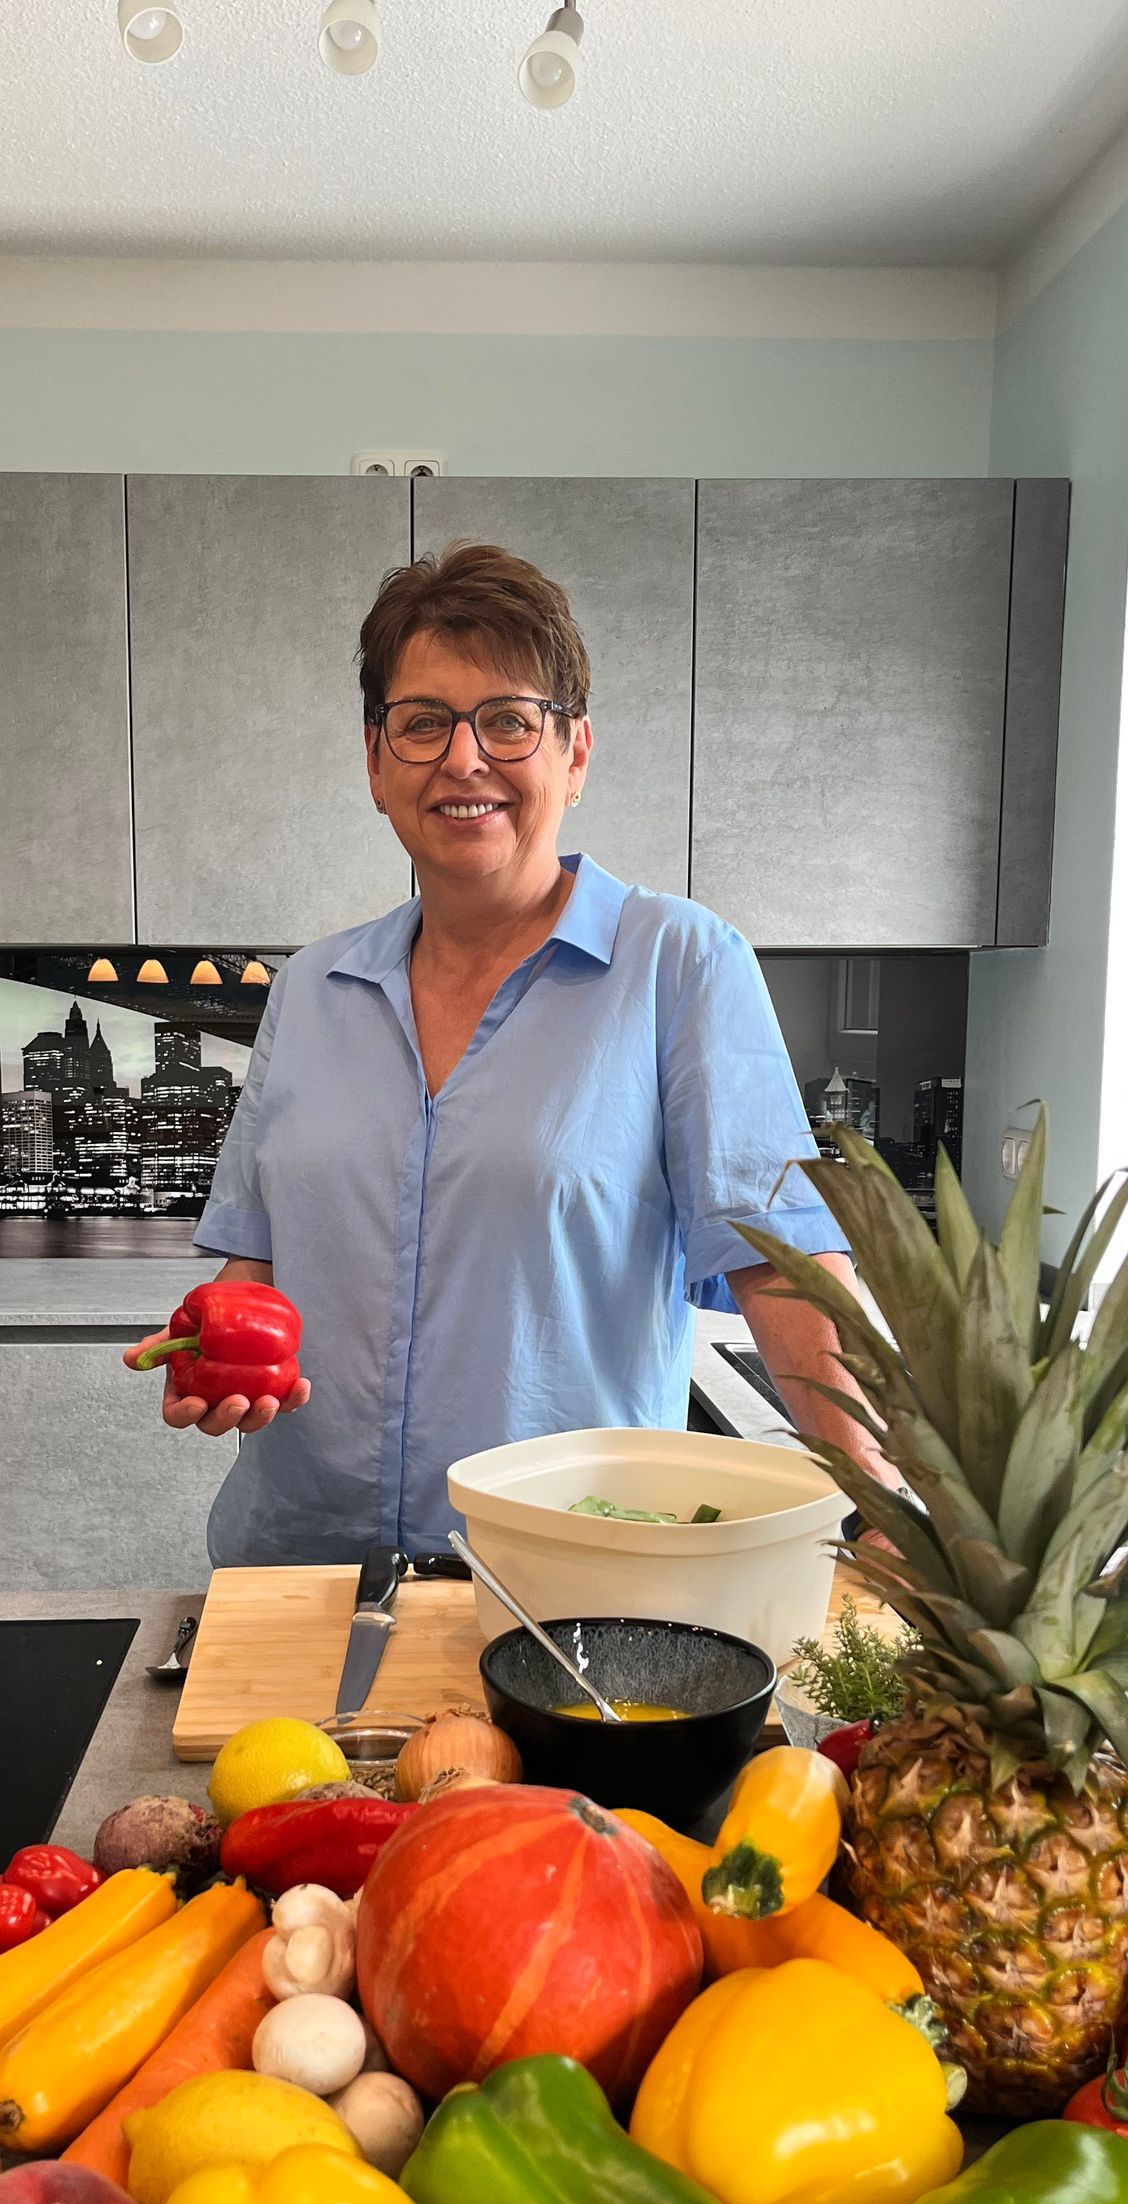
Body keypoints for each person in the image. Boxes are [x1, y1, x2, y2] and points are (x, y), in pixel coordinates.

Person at [136, 541, 888, 1567]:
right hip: (298, 1563)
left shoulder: (678, 964)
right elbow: (259, 1263)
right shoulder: (311, 989)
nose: (464, 760)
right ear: (376, 763)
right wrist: (218, 1356)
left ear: (574, 755)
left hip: (559, 1575)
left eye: (509, 720)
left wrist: (883, 1511)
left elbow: (784, 1264)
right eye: (422, 723)